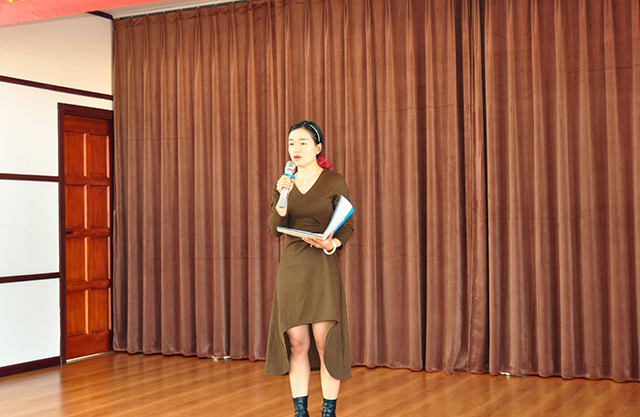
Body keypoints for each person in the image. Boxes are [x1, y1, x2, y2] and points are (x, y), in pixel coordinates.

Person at [266, 121, 354, 417]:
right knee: (297, 343)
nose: (296, 148)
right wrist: (282, 197)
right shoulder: (284, 183)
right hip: (292, 268)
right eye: (291, 142)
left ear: (318, 148)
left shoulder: (333, 181)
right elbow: (273, 228)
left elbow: (348, 224)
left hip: (322, 267)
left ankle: (328, 412)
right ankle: (300, 412)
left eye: (303, 143)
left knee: (324, 342)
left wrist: (332, 244)